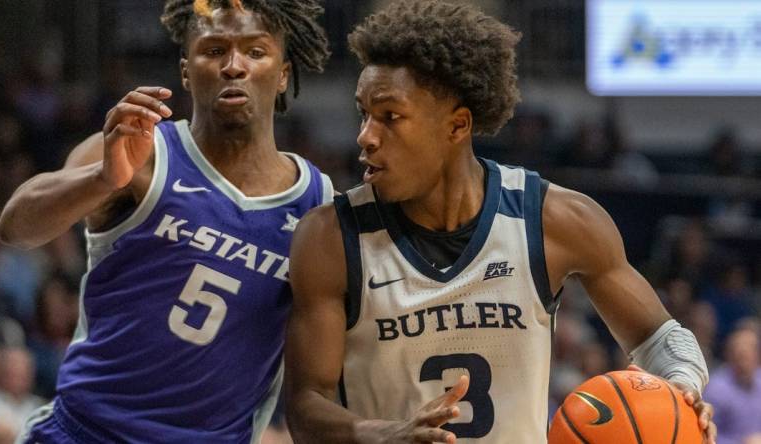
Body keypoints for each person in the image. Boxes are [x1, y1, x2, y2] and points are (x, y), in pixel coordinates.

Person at [283, 1, 716, 443]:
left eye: (390, 117)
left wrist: (680, 385)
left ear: (457, 126)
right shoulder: (330, 237)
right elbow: (304, 406)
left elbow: (659, 337)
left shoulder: (556, 219)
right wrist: (385, 433)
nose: (365, 136)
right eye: (364, 113)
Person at [0, 0, 331, 442]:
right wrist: (100, 179)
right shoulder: (142, 151)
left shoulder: (318, 202)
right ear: (186, 72)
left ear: (283, 73)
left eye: (255, 51)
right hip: (85, 432)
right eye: (214, 51)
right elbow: (15, 228)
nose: (234, 66)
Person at [703, 321, 761, 444]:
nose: (743, 356)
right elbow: (705, 433)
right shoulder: (716, 389)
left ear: (757, 354)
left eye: (749, 350)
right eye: (739, 351)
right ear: (729, 354)